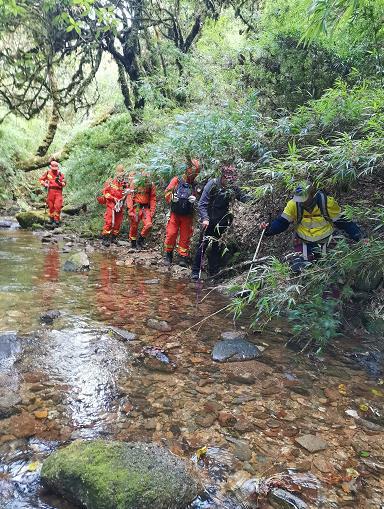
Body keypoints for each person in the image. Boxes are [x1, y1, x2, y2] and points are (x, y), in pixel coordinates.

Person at [260, 181, 362, 272]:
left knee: (330, 270)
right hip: (303, 240)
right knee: (299, 269)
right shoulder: (293, 205)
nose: (301, 202)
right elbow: (282, 222)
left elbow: (344, 222)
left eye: (304, 199)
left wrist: (361, 238)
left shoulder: (327, 203)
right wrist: (269, 229)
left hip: (326, 240)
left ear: (313, 195)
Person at [191, 164, 249, 279]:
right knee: (203, 244)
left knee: (216, 246)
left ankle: (214, 272)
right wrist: (205, 218)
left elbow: (243, 198)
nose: (229, 181)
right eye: (228, 178)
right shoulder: (212, 184)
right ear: (222, 176)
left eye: (232, 179)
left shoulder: (233, 187)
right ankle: (195, 271)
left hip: (222, 221)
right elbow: (202, 203)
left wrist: (257, 198)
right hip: (208, 220)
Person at [163, 159, 200, 267]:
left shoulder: (195, 184)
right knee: (171, 234)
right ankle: (168, 255)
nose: (193, 174)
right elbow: (167, 191)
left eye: (195, 172)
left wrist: (195, 199)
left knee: (185, 236)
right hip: (175, 213)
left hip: (188, 215)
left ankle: (182, 257)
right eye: (192, 171)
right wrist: (171, 198)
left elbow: (200, 198)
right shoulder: (177, 180)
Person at [127, 169, 156, 249]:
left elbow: (153, 198)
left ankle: (140, 240)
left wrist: (152, 209)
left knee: (148, 225)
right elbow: (130, 197)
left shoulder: (150, 184)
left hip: (146, 208)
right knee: (134, 226)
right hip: (137, 208)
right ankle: (133, 243)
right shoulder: (135, 183)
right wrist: (130, 210)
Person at [100, 164, 128, 247]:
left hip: (120, 205)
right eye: (119, 173)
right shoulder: (110, 181)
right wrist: (113, 199)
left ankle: (114, 238)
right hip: (111, 205)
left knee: (118, 222)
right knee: (109, 222)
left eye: (122, 173)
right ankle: (105, 238)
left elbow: (126, 191)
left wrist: (124, 197)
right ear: (116, 173)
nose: (121, 175)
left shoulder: (124, 182)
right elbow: (105, 192)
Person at [39, 159, 66, 227]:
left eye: (55, 168)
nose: (54, 170)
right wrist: (45, 184)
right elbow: (41, 179)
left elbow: (64, 183)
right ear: (50, 167)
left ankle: (56, 220)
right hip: (50, 191)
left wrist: (59, 182)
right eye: (53, 168)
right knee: (51, 206)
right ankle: (51, 219)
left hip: (58, 191)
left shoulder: (60, 174)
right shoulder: (48, 173)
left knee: (57, 206)